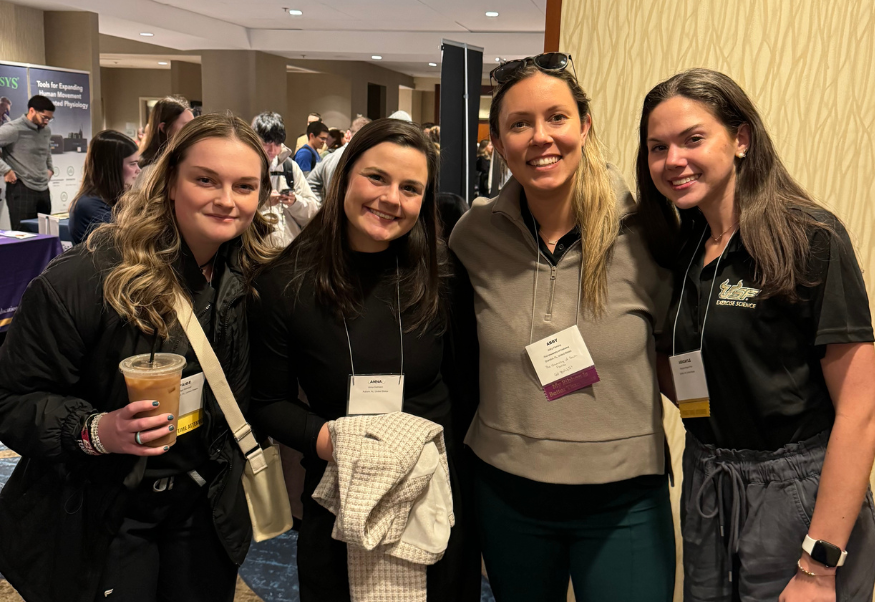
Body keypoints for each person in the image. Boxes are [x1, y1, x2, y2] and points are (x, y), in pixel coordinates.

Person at [0, 113, 278, 602]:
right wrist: (96, 430)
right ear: (170, 181)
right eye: (205, 180)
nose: (226, 200)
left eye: (244, 186)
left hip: (204, 506)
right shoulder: (87, 278)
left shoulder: (255, 278)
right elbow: (11, 399)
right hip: (104, 510)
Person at [637, 68, 875, 602]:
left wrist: (818, 567)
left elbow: (861, 413)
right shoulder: (686, 245)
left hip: (796, 494)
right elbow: (694, 368)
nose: (673, 160)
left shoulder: (809, 237)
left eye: (692, 139)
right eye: (658, 147)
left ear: (741, 138)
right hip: (709, 482)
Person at [449, 53, 675, 602]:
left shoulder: (648, 233)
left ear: (585, 125)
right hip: (507, 494)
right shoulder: (473, 235)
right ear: (498, 144)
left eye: (556, 118)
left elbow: (680, 357)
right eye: (519, 124)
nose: (541, 137)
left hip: (623, 497)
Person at [248, 118, 482, 602]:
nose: (391, 198)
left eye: (410, 188)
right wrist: (337, 444)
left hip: (435, 494)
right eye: (377, 177)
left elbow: (466, 388)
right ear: (345, 177)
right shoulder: (286, 282)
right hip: (339, 492)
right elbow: (267, 402)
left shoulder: (441, 273)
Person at [251, 111, 320, 247]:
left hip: (290, 251)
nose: (272, 150)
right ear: (254, 140)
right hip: (256, 250)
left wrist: (295, 202)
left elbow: (313, 213)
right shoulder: (243, 168)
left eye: (277, 144)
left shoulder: (290, 167)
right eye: (266, 143)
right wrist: (262, 202)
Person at [68, 130, 141, 245]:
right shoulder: (89, 205)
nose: (138, 170)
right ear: (112, 167)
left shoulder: (110, 199)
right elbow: (128, 240)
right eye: (132, 164)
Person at [0, 95, 55, 229]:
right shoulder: (13, 128)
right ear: (32, 111)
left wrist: (50, 168)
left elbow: (46, 150)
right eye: (44, 117)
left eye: (49, 119)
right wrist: (5, 170)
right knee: (25, 235)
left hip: (43, 189)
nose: (47, 122)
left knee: (46, 233)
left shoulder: (46, 130)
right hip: (21, 188)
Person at [307, 116, 371, 203]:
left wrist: (320, 206)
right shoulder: (365, 160)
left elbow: (310, 183)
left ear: (348, 134)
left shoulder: (330, 157)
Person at [135, 95, 194, 188]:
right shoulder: (149, 170)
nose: (192, 130)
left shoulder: (185, 158)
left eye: (193, 125)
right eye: (186, 126)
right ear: (163, 128)